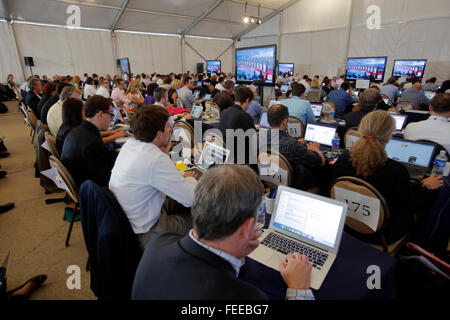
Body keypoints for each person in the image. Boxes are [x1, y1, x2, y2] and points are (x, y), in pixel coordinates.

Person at [132, 165, 314, 300]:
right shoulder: (245, 297)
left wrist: (238, 251)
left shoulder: (159, 243)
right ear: (246, 229)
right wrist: (298, 289)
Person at [332, 110, 443, 245]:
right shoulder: (396, 170)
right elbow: (410, 206)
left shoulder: (343, 159)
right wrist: (427, 187)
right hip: (383, 236)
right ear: (389, 137)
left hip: (346, 225)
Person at [109, 106, 197, 251]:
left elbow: (154, 176)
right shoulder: (155, 159)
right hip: (149, 231)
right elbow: (191, 199)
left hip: (134, 217)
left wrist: (164, 154)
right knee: (208, 219)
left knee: (182, 200)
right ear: (158, 135)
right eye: (168, 127)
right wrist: (190, 179)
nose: (170, 130)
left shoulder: (130, 145)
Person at [263, 104, 325, 190]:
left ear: (267, 121)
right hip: (292, 186)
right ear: (285, 122)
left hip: (267, 181)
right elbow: (319, 162)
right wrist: (315, 149)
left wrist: (296, 143)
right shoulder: (292, 145)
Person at [61, 95, 118, 187]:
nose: (112, 120)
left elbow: (101, 159)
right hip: (91, 189)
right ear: (100, 114)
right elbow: (104, 177)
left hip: (84, 180)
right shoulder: (91, 142)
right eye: (111, 115)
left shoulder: (79, 130)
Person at [219, 86, 256, 165]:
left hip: (226, 155)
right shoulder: (245, 116)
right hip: (240, 159)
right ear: (247, 100)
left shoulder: (224, 112)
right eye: (250, 103)